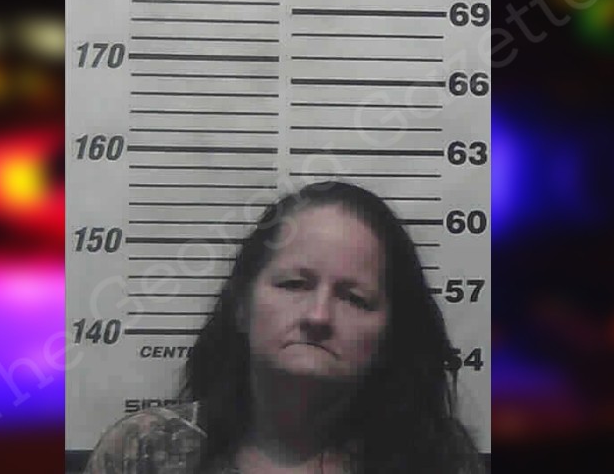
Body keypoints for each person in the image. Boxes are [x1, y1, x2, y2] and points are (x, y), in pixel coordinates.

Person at [84, 180, 484, 474]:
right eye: (294, 284)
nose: (318, 316)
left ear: (389, 336)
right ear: (242, 307)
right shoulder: (144, 451)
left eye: (354, 298)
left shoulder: (439, 460)